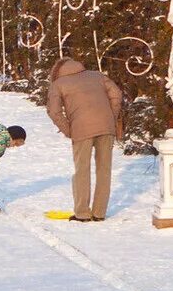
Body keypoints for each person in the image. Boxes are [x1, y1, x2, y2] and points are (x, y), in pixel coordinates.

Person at [47, 57, 124, 222]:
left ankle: (82, 213)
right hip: (106, 126)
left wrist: (69, 130)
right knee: (104, 170)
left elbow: (54, 111)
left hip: (81, 129)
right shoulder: (97, 76)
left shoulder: (58, 84)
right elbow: (116, 94)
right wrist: (112, 116)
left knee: (82, 170)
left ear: (57, 72)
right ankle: (99, 212)